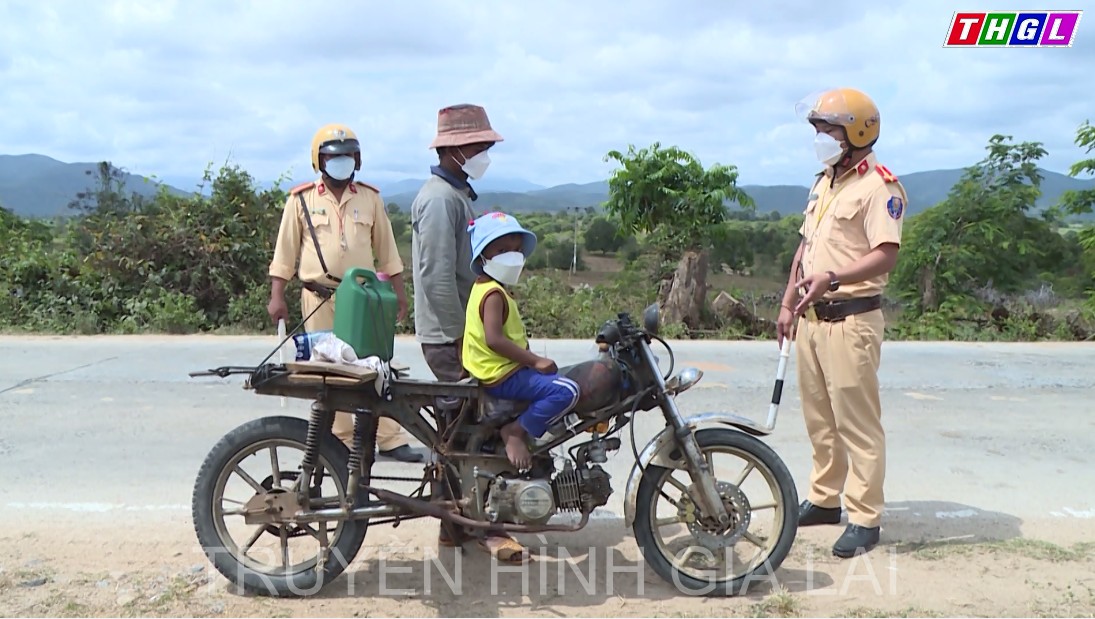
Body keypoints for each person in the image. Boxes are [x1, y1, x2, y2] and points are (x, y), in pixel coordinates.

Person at [775, 87, 908, 558]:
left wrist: (832, 278)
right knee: (820, 419)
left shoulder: (879, 187)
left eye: (828, 129)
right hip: (812, 318)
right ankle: (825, 498)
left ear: (857, 133)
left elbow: (885, 254)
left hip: (852, 318)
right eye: (817, 129)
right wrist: (788, 303)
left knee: (857, 422)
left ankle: (866, 517)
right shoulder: (825, 182)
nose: (820, 138)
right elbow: (805, 247)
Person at [410, 104, 529, 562]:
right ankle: (485, 527)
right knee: (474, 431)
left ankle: (454, 527)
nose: (485, 154)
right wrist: (465, 338)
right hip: (450, 335)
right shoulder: (441, 200)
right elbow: (437, 277)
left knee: (458, 433)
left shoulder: (455, 195)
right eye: (479, 146)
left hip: (457, 331)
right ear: (456, 150)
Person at [267, 123, 422, 463]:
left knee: (376, 364)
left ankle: (389, 437)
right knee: (328, 368)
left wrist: (399, 292)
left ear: (358, 159)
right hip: (318, 297)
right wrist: (277, 295)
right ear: (319, 160)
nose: (341, 161)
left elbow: (387, 251)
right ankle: (341, 438)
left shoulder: (370, 198)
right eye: (333, 156)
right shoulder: (301, 199)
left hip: (364, 297)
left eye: (348, 155)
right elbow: (285, 253)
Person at [462, 211, 581, 470]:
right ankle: (516, 432)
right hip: (502, 375)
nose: (512, 256)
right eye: (502, 250)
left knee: (557, 379)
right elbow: (494, 340)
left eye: (516, 250)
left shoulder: (486, 287)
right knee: (567, 391)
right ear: (482, 257)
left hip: (500, 370)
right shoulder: (493, 294)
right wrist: (535, 360)